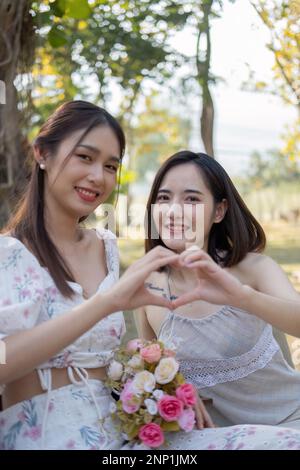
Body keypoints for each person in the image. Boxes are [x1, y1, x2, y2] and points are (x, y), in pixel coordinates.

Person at [1, 109, 300, 450]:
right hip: (47, 434)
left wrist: (171, 387)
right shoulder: (8, 254)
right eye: (84, 156)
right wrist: (107, 307)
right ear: (42, 154)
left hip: (125, 435)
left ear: (218, 211)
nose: (98, 176)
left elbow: (115, 361)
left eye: (111, 166)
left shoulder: (106, 250)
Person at [135, 150, 300, 434]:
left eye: (191, 199)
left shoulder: (254, 268)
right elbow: (146, 370)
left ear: (219, 211)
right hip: (208, 439)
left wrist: (242, 296)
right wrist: (172, 386)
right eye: (164, 198)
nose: (174, 211)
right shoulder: (146, 285)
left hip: (288, 423)